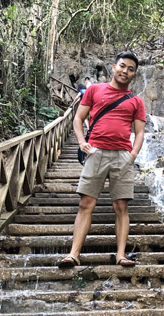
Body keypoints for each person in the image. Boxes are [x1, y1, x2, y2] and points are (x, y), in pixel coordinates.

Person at [58, 51, 146, 269]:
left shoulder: (136, 101)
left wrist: (133, 155)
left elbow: (140, 132)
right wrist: (81, 142)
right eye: (122, 66)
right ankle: (73, 254)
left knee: (121, 206)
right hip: (96, 152)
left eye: (131, 69)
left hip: (122, 156)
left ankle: (121, 255)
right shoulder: (95, 90)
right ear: (114, 67)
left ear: (134, 75)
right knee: (86, 203)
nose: (125, 71)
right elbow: (78, 118)